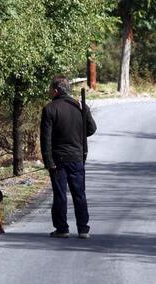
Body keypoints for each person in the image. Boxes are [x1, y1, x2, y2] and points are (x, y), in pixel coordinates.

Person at [40, 75, 97, 239]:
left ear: (56, 90)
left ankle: (62, 228)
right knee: (79, 194)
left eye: (50, 89)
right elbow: (91, 129)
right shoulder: (79, 106)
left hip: (58, 160)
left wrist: (48, 161)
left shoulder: (49, 109)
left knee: (60, 195)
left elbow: (46, 139)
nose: (49, 92)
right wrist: (83, 121)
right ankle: (83, 229)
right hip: (77, 158)